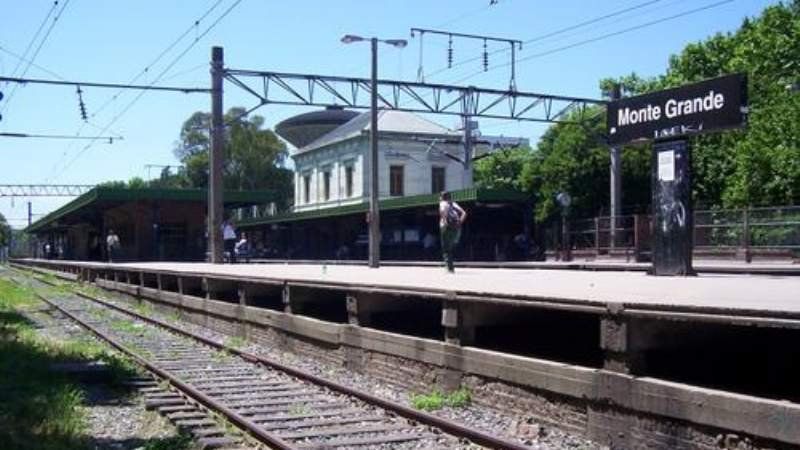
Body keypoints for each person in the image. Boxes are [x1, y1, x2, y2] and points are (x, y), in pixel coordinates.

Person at [438, 191, 466, 273]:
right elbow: (464, 213)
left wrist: (444, 222)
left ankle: (450, 268)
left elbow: (442, 211)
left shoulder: (443, 203)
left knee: (446, 249)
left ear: (442, 197)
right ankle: (451, 266)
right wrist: (459, 222)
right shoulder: (453, 204)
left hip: (447, 227)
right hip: (456, 227)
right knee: (450, 247)